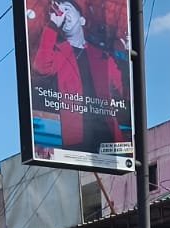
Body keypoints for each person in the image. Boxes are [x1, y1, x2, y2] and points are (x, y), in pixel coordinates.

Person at [31, 1, 127, 156]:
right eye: (60, 11)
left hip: (109, 138)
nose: (63, 14)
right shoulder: (58, 52)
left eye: (67, 9)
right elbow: (41, 68)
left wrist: (126, 54)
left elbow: (124, 91)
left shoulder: (102, 56)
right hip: (77, 142)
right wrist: (52, 26)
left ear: (82, 20)